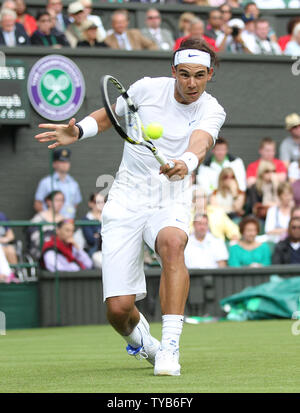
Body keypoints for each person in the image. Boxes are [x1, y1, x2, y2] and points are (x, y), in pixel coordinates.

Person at [35, 38, 226, 376]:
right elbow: (109, 117)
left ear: (210, 74)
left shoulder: (211, 108)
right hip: (125, 198)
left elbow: (201, 142)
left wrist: (185, 162)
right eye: (184, 74)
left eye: (199, 75)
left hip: (171, 197)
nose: (191, 83)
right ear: (173, 72)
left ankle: (169, 346)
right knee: (118, 310)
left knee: (172, 243)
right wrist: (77, 131)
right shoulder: (147, 89)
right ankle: (145, 343)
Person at [34, 148, 82, 219]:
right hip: (51, 224)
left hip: (68, 223)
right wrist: (48, 219)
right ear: (54, 164)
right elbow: (38, 204)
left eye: (67, 161)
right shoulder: (46, 182)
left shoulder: (74, 184)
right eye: (61, 161)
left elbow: (75, 204)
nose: (65, 164)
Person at [28, 190, 66, 260]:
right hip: (44, 252)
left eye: (62, 201)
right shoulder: (39, 218)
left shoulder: (64, 219)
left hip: (62, 251)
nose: (60, 203)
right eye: (57, 200)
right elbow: (34, 238)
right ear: (49, 202)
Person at [81, 192, 104, 269]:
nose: (100, 204)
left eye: (103, 202)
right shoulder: (86, 219)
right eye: (96, 202)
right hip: (95, 252)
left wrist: (98, 235)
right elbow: (90, 240)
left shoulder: (109, 218)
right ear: (90, 203)